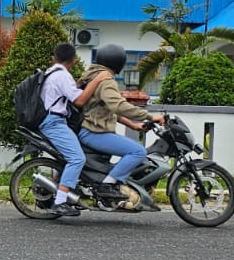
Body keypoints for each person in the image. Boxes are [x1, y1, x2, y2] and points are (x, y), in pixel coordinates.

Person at [77, 43, 164, 200]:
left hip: (90, 130)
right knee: (138, 151)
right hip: (94, 132)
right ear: (119, 62)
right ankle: (108, 185)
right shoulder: (106, 80)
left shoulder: (95, 75)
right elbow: (118, 106)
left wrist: (132, 125)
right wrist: (150, 116)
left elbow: (105, 109)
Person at [37, 42, 105, 220]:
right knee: (77, 158)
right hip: (54, 122)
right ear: (74, 60)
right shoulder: (61, 75)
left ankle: (57, 192)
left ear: (55, 57)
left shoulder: (52, 73)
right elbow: (79, 101)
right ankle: (59, 202)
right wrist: (98, 80)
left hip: (52, 120)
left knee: (71, 156)